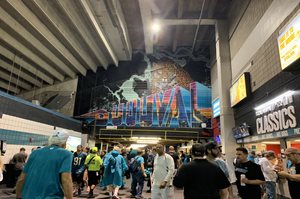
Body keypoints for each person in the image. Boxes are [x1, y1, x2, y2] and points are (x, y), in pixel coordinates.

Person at [15, 129, 73, 199]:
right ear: (64, 143)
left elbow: (22, 178)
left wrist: (18, 195)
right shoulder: (66, 154)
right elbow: (66, 180)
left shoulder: (35, 153)